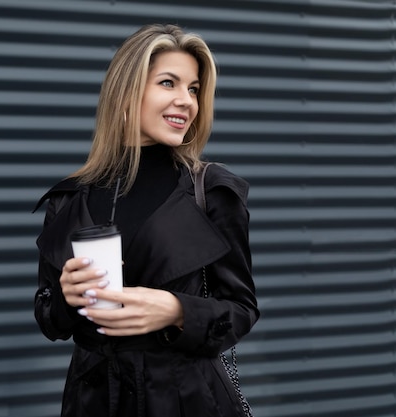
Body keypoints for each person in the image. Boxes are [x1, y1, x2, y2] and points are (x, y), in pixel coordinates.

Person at [33, 23, 259, 417]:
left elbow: (241, 309)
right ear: (125, 93)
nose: (187, 101)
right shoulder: (71, 197)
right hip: (92, 402)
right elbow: (49, 317)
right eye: (168, 83)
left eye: (193, 89)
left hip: (184, 401)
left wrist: (177, 310)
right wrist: (66, 298)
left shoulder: (211, 192)